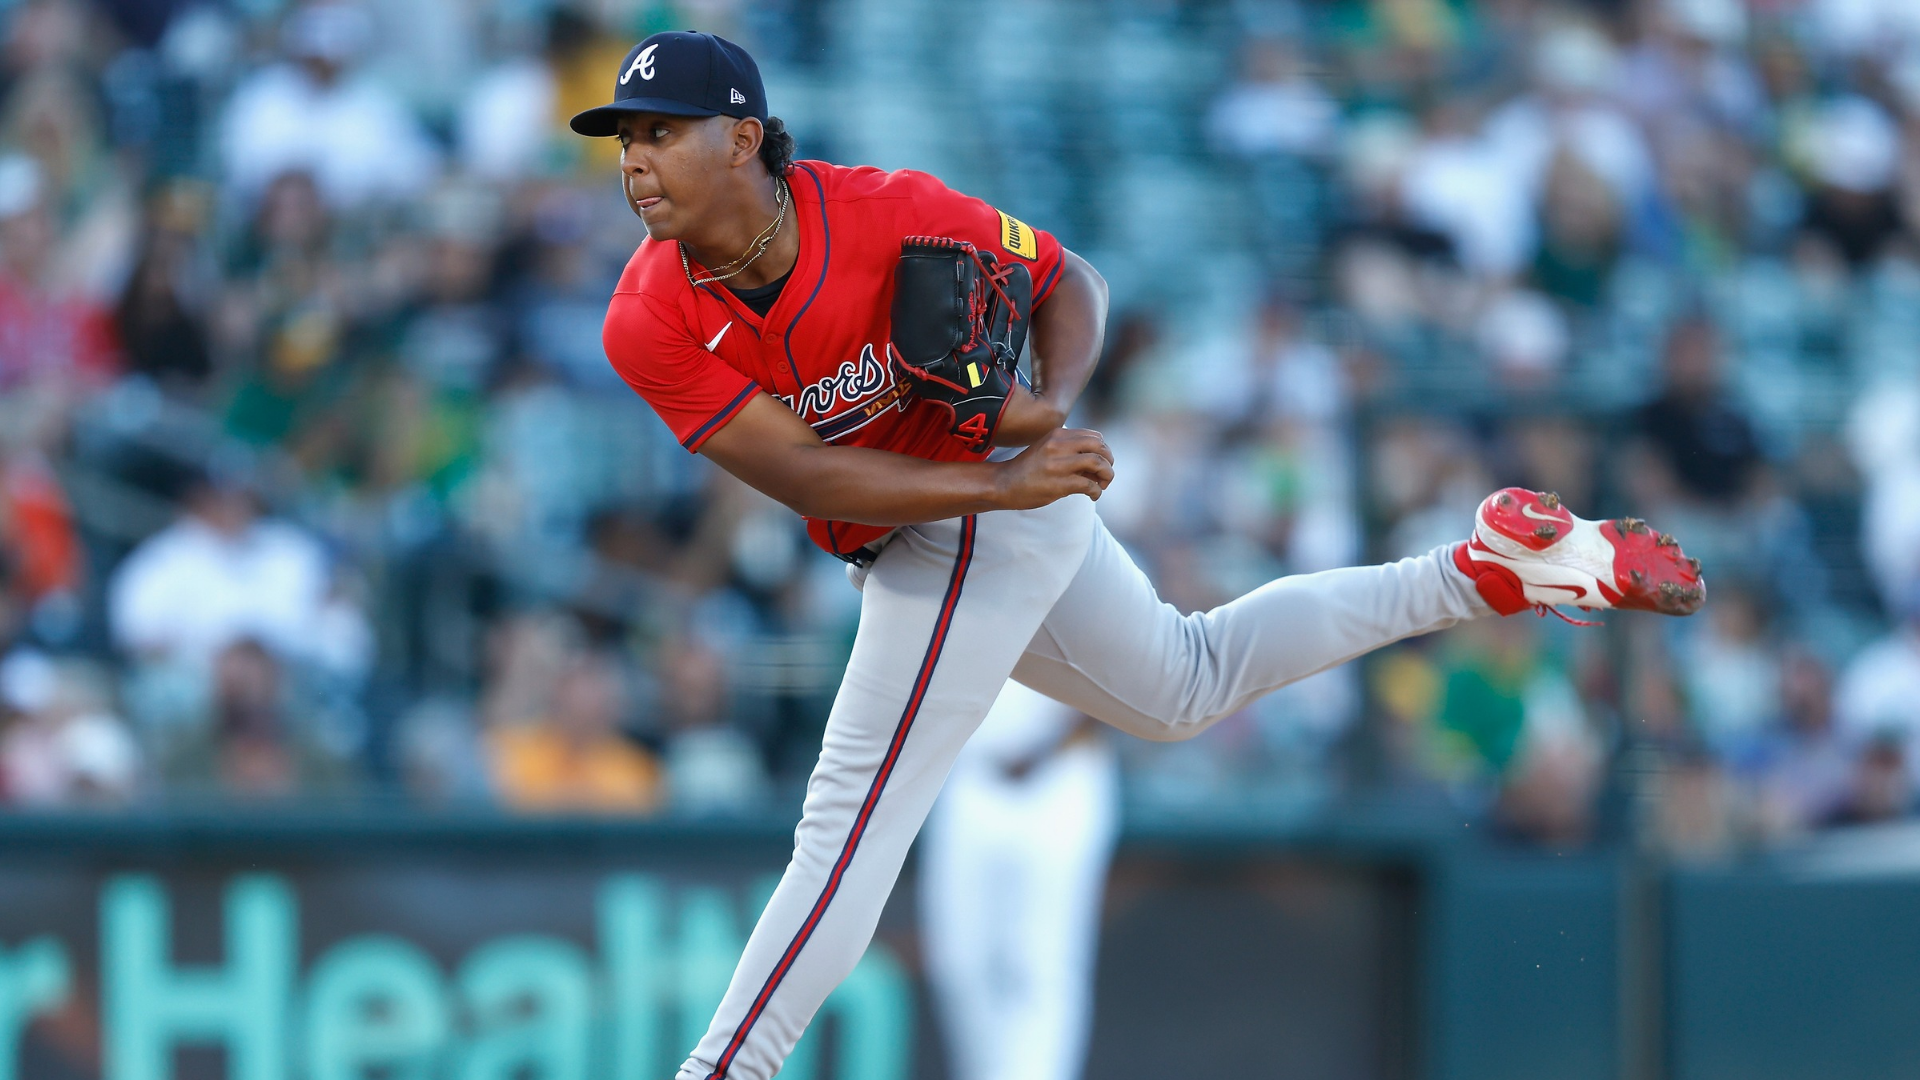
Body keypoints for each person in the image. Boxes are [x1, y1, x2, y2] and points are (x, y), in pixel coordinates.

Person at [572, 31, 1706, 1080]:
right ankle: (1485, 570)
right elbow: (809, 477)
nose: (635, 160)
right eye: (625, 137)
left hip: (976, 523)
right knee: (1184, 686)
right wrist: (1005, 473)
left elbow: (1071, 280)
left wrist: (1046, 405)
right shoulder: (649, 316)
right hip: (962, 506)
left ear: (741, 138)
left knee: (845, 826)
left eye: (659, 131)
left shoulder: (883, 213)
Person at [918, 681, 1119, 1080]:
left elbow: (1126, 666)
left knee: (1041, 964)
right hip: (970, 770)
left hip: (1063, 772)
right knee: (957, 959)